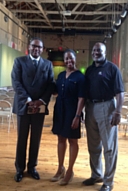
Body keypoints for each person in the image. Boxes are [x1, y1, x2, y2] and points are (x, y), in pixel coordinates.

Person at [11, 37, 55, 182]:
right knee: (21, 138)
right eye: (34, 46)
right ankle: (19, 169)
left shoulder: (48, 64)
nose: (36, 49)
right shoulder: (19, 62)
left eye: (39, 47)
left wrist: (40, 101)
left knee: (36, 138)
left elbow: (50, 85)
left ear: (42, 50)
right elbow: (16, 82)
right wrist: (29, 100)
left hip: (39, 107)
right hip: (24, 105)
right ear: (29, 47)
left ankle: (32, 167)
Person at [82, 42, 124, 191]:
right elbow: (84, 92)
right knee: (93, 146)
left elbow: (120, 93)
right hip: (90, 107)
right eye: (94, 50)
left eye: (99, 50)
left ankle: (108, 182)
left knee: (109, 148)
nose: (96, 52)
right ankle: (96, 174)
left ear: (105, 52)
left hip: (107, 107)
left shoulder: (112, 69)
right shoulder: (89, 70)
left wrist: (117, 111)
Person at [50, 49, 85, 185]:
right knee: (60, 139)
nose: (69, 61)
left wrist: (77, 116)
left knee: (73, 141)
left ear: (75, 59)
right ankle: (60, 168)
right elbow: (55, 92)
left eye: (71, 58)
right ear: (64, 60)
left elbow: (81, 98)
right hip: (59, 110)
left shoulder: (80, 77)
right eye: (66, 59)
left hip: (72, 112)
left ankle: (70, 171)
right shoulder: (61, 75)